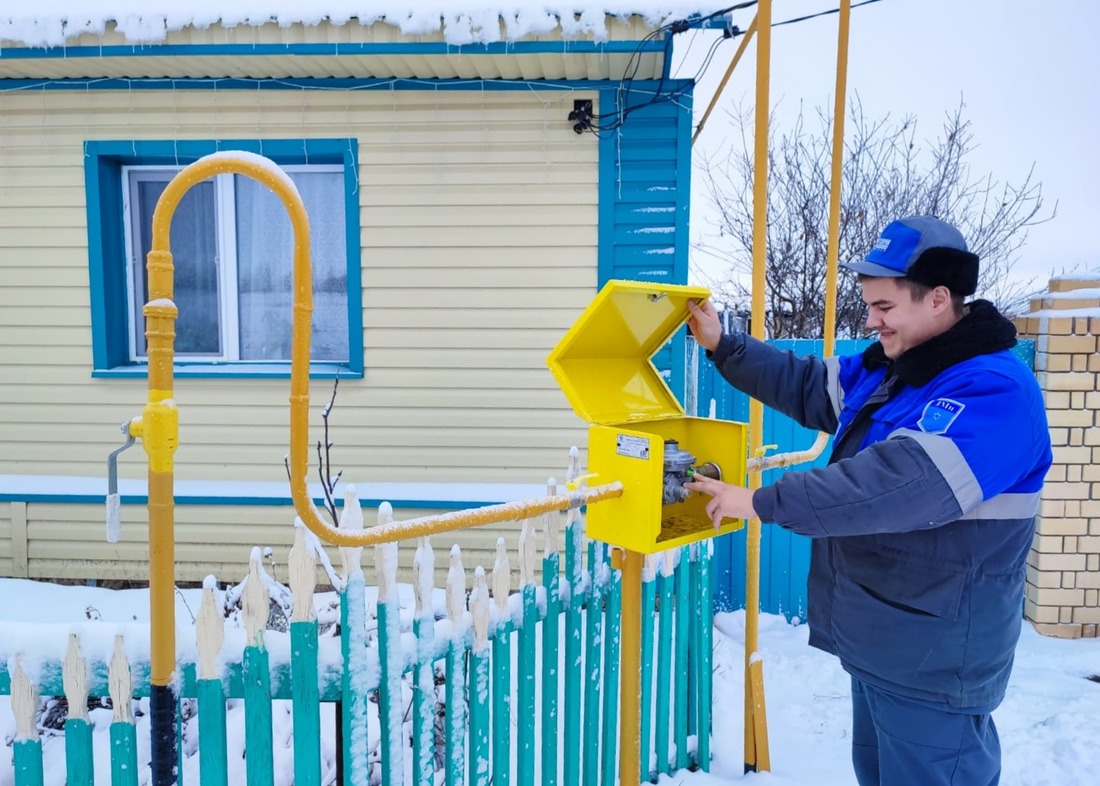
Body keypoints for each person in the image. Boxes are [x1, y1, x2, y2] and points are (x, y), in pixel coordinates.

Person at [684, 215, 1052, 786]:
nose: (872, 320)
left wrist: (760, 501)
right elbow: (807, 383)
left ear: (937, 299)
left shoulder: (992, 389)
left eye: (884, 306)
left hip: (935, 659)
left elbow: (894, 484)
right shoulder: (899, 370)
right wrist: (723, 346)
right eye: (869, 305)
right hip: (886, 643)